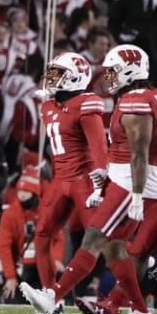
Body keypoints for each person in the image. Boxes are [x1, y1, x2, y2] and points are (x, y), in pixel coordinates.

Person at [21, 44, 157, 314]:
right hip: (101, 178)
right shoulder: (139, 97)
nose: (108, 77)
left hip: (119, 180)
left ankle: (53, 296)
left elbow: (130, 152)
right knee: (109, 245)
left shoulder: (129, 101)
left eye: (114, 70)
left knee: (96, 239)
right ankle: (139, 310)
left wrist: (111, 181)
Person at [34, 52, 108, 292]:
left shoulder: (86, 104)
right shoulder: (48, 106)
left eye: (58, 74)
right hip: (61, 179)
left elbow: (99, 147)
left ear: (75, 77)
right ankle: (49, 296)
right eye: (52, 73)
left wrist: (101, 182)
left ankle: (144, 267)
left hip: (85, 179)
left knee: (103, 241)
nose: (51, 79)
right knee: (43, 234)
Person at [0, 167, 64, 308]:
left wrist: (57, 260)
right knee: (13, 300)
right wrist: (10, 276)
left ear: (34, 192)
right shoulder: (9, 215)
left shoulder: (45, 212)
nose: (21, 195)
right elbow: (4, 246)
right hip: (21, 268)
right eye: (20, 191)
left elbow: (58, 238)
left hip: (44, 264)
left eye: (26, 191)